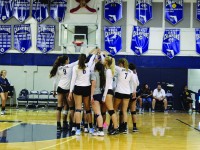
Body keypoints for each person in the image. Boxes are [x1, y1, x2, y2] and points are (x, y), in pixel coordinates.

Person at [68, 53, 96, 136]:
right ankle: (90, 128)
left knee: (78, 109)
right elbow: (91, 60)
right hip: (86, 88)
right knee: (87, 109)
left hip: (77, 88)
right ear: (85, 60)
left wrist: (70, 91)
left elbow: (73, 80)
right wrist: (95, 53)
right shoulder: (88, 66)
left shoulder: (75, 67)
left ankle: (78, 129)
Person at [50, 55, 78, 131]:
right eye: (68, 59)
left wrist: (54, 91)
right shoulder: (70, 66)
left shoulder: (58, 68)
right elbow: (79, 61)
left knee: (59, 107)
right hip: (67, 89)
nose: (69, 60)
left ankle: (59, 125)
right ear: (66, 61)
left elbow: (55, 81)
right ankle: (73, 125)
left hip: (60, 88)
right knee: (71, 107)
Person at [113, 58, 138, 134]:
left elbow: (112, 65)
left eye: (119, 63)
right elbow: (135, 82)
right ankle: (124, 128)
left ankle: (115, 126)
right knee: (124, 111)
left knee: (114, 110)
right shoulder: (131, 72)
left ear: (122, 64)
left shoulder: (120, 69)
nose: (119, 64)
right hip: (127, 93)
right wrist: (134, 91)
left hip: (119, 91)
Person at [101, 54, 119, 135]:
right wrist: (101, 54)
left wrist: (104, 95)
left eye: (104, 60)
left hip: (108, 91)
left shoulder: (108, 71)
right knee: (107, 111)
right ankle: (105, 126)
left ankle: (116, 127)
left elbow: (107, 84)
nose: (103, 61)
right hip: (108, 91)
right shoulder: (108, 69)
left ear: (107, 62)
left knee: (111, 111)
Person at [91, 62, 105, 136]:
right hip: (100, 94)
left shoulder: (94, 74)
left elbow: (93, 85)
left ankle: (100, 130)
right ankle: (99, 129)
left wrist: (91, 96)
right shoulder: (102, 74)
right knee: (99, 113)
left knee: (98, 113)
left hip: (95, 94)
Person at [128, 63, 140, 132]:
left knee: (124, 111)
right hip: (134, 94)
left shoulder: (128, 74)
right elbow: (138, 83)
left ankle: (123, 126)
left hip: (127, 93)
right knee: (133, 111)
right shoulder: (135, 75)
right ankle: (134, 127)